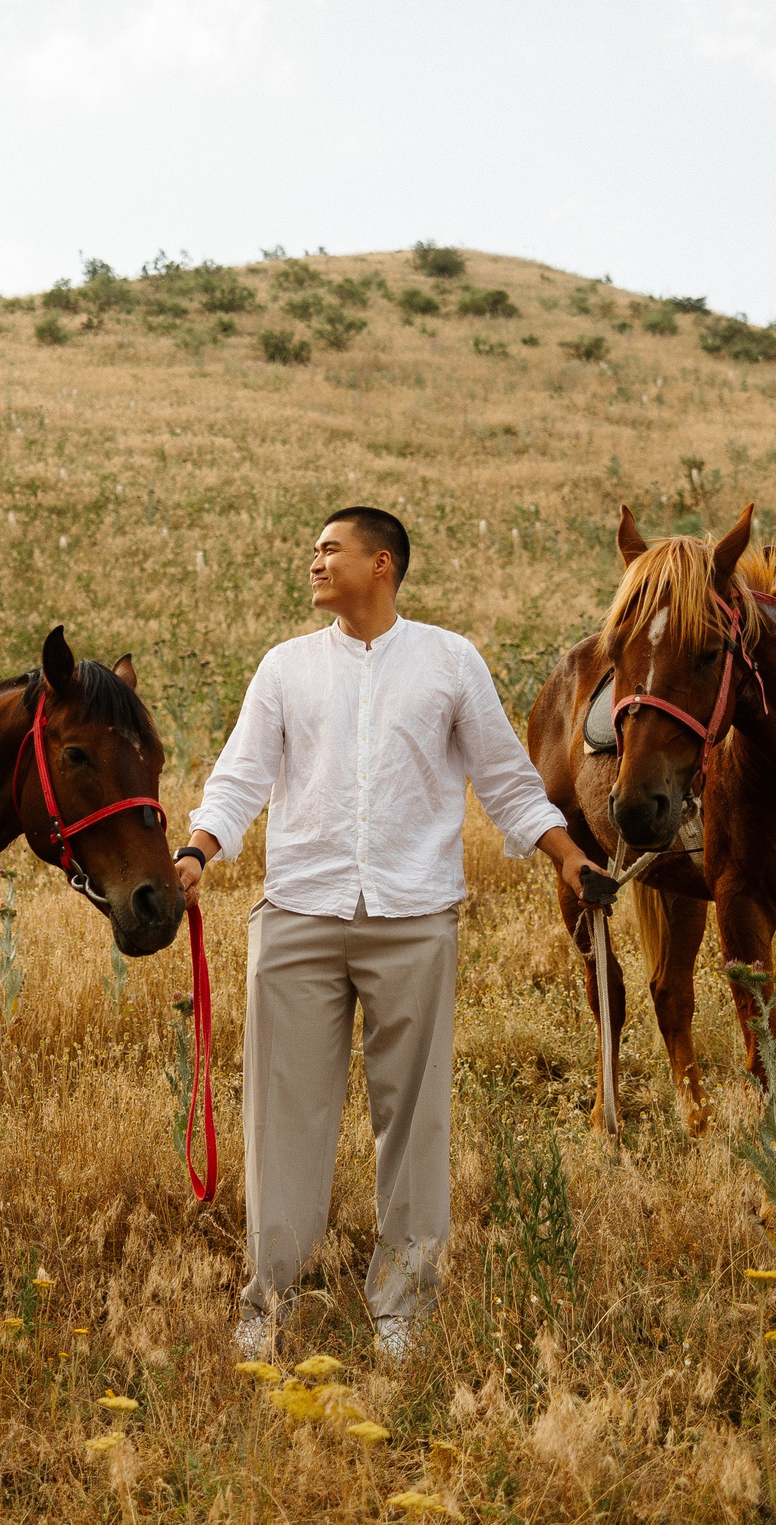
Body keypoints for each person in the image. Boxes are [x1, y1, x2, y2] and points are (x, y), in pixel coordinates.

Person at [176, 506, 591, 1362]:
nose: (314, 561)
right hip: (298, 915)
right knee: (282, 1117)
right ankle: (270, 1300)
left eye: (330, 549)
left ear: (382, 565)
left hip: (415, 918)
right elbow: (240, 775)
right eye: (314, 548)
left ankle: (403, 1308)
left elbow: (507, 779)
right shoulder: (285, 667)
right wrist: (197, 852)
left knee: (415, 1119)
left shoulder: (450, 661)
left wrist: (569, 857)